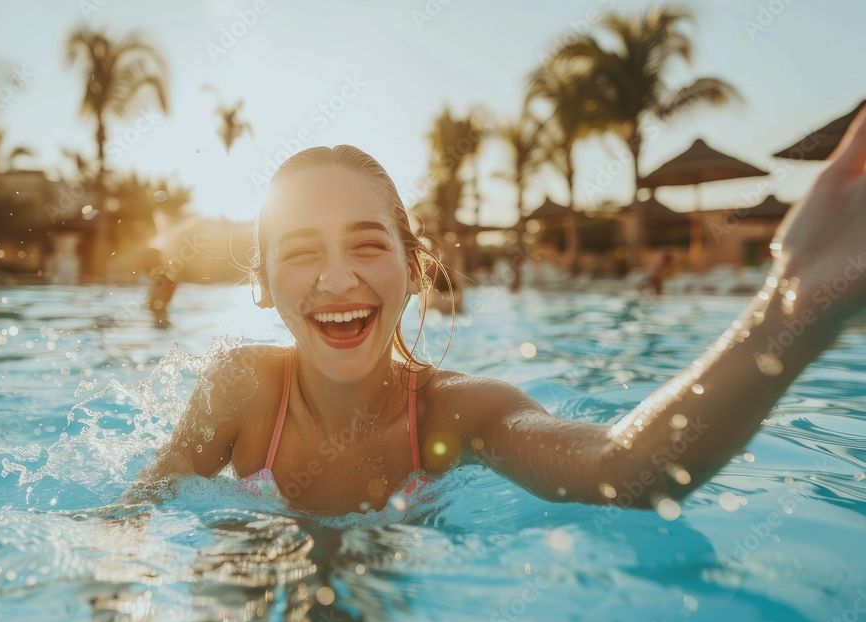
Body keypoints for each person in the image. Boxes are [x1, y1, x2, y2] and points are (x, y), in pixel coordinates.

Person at [124, 107, 866, 517]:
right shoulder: (242, 391)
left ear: (414, 269)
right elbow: (129, 522)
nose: (337, 277)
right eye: (300, 252)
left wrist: (796, 304)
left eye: (366, 244)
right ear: (263, 285)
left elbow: (628, 470)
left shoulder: (458, 415)